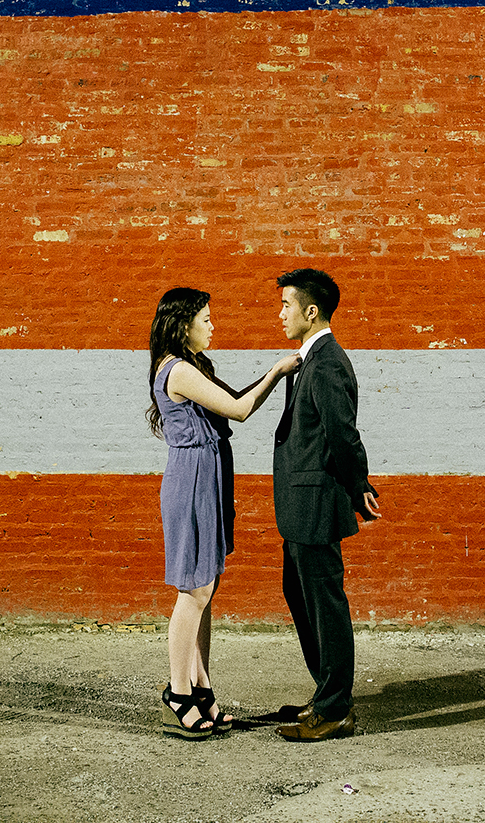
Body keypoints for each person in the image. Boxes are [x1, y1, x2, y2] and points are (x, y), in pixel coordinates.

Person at [147, 286, 299, 740]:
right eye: (206, 319)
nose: (213, 326)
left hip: (206, 475)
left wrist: (272, 373)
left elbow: (235, 400)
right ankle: (177, 693)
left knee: (205, 585)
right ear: (183, 324)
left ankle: (201, 687)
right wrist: (278, 369)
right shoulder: (176, 370)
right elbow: (239, 409)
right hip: (192, 479)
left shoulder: (192, 366)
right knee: (192, 590)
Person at [270, 267, 381, 742]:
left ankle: (335, 709)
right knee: (302, 599)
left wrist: (360, 486)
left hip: (315, 506)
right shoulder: (307, 361)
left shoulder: (329, 362)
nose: (280, 314)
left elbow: (342, 434)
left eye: (286, 305)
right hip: (300, 508)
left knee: (325, 605)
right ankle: (326, 691)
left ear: (310, 311)